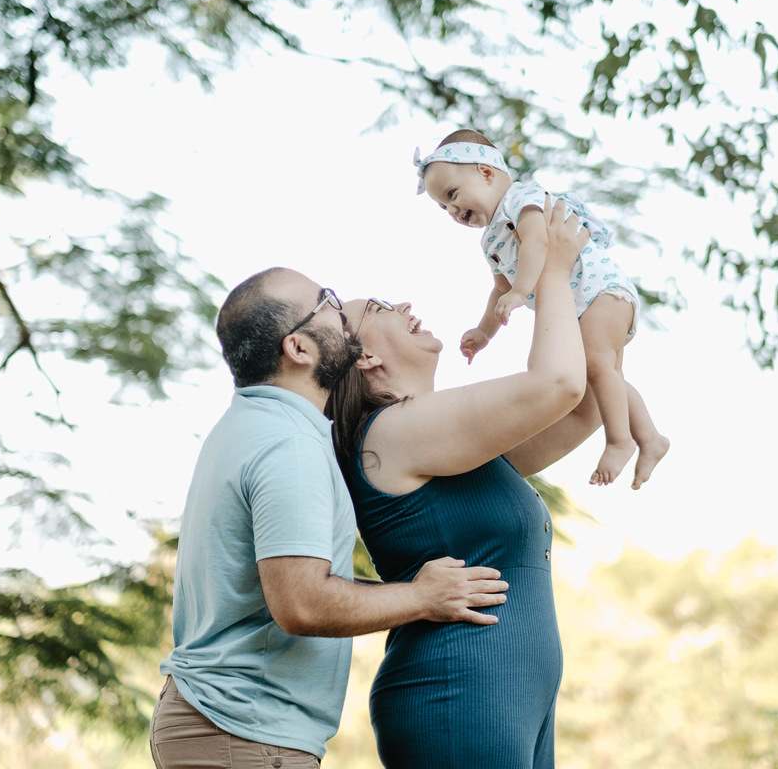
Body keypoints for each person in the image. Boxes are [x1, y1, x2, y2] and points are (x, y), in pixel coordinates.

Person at [150, 267, 511, 769]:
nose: (341, 310)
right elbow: (302, 603)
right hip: (243, 731)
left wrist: (408, 594)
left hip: (225, 725)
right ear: (298, 348)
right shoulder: (289, 445)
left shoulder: (253, 425)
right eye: (326, 302)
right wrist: (422, 597)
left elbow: (289, 585)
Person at [326, 197, 602, 768]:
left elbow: (586, 401)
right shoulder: (391, 433)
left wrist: (586, 286)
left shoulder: (449, 444)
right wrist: (548, 270)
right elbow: (558, 384)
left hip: (509, 700)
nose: (403, 304)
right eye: (379, 307)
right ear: (365, 356)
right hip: (457, 695)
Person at [415, 128, 669, 489]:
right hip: (580, 306)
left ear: (486, 172)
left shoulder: (522, 198)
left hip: (600, 289)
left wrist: (521, 291)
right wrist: (484, 331)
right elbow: (499, 289)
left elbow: (537, 241)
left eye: (452, 194)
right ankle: (650, 438)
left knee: (597, 365)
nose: (453, 210)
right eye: (444, 207)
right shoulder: (490, 241)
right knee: (603, 372)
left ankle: (619, 441)